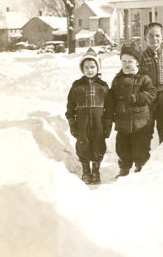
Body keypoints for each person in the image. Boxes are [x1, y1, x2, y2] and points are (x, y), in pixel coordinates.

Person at [102, 44, 156, 177]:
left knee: (140, 147)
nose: (127, 64)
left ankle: (140, 167)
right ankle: (124, 168)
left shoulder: (144, 78)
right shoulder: (118, 79)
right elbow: (112, 99)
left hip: (140, 121)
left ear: (137, 62)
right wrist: (110, 115)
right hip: (123, 120)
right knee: (122, 147)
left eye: (130, 61)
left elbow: (151, 93)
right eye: (124, 61)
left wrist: (137, 97)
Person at [65, 47, 109, 185]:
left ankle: (95, 171)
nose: (89, 70)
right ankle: (86, 171)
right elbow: (70, 108)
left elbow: (109, 109)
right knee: (83, 145)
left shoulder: (103, 87)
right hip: (82, 124)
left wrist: (107, 125)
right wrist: (72, 124)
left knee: (98, 145)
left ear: (97, 68)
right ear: (82, 69)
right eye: (86, 67)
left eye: (92, 67)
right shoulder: (77, 86)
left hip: (98, 124)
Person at [140, 22, 163, 144]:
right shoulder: (141, 57)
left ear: (162, 38)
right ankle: (144, 159)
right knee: (145, 129)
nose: (154, 39)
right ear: (145, 37)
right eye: (151, 35)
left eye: (157, 35)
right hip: (148, 98)